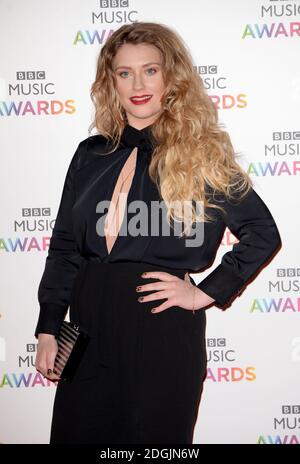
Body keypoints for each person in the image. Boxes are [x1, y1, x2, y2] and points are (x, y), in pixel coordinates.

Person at [34, 22, 281, 444]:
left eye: (150, 70)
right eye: (124, 73)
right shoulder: (89, 155)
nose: (138, 84)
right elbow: (63, 248)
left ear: (172, 77)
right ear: (111, 82)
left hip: (161, 333)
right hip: (87, 329)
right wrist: (48, 326)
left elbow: (262, 232)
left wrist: (204, 292)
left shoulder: (201, 155)